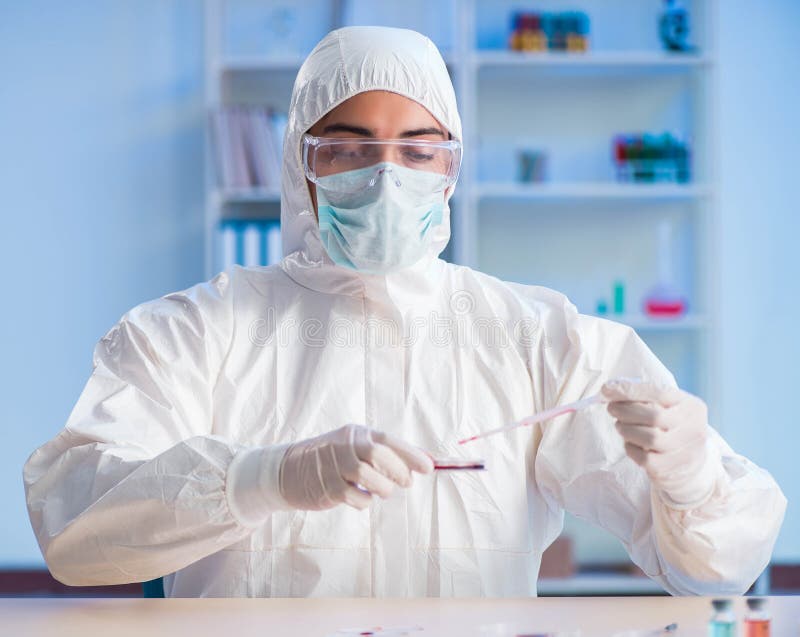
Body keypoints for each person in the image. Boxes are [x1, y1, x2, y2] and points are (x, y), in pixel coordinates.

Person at [24, 26, 785, 598]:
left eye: (418, 152)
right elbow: (74, 529)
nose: (387, 178)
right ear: (301, 164)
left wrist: (687, 477)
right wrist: (262, 477)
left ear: (451, 169)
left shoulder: (538, 338)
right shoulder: (191, 334)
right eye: (349, 150)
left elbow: (716, 574)